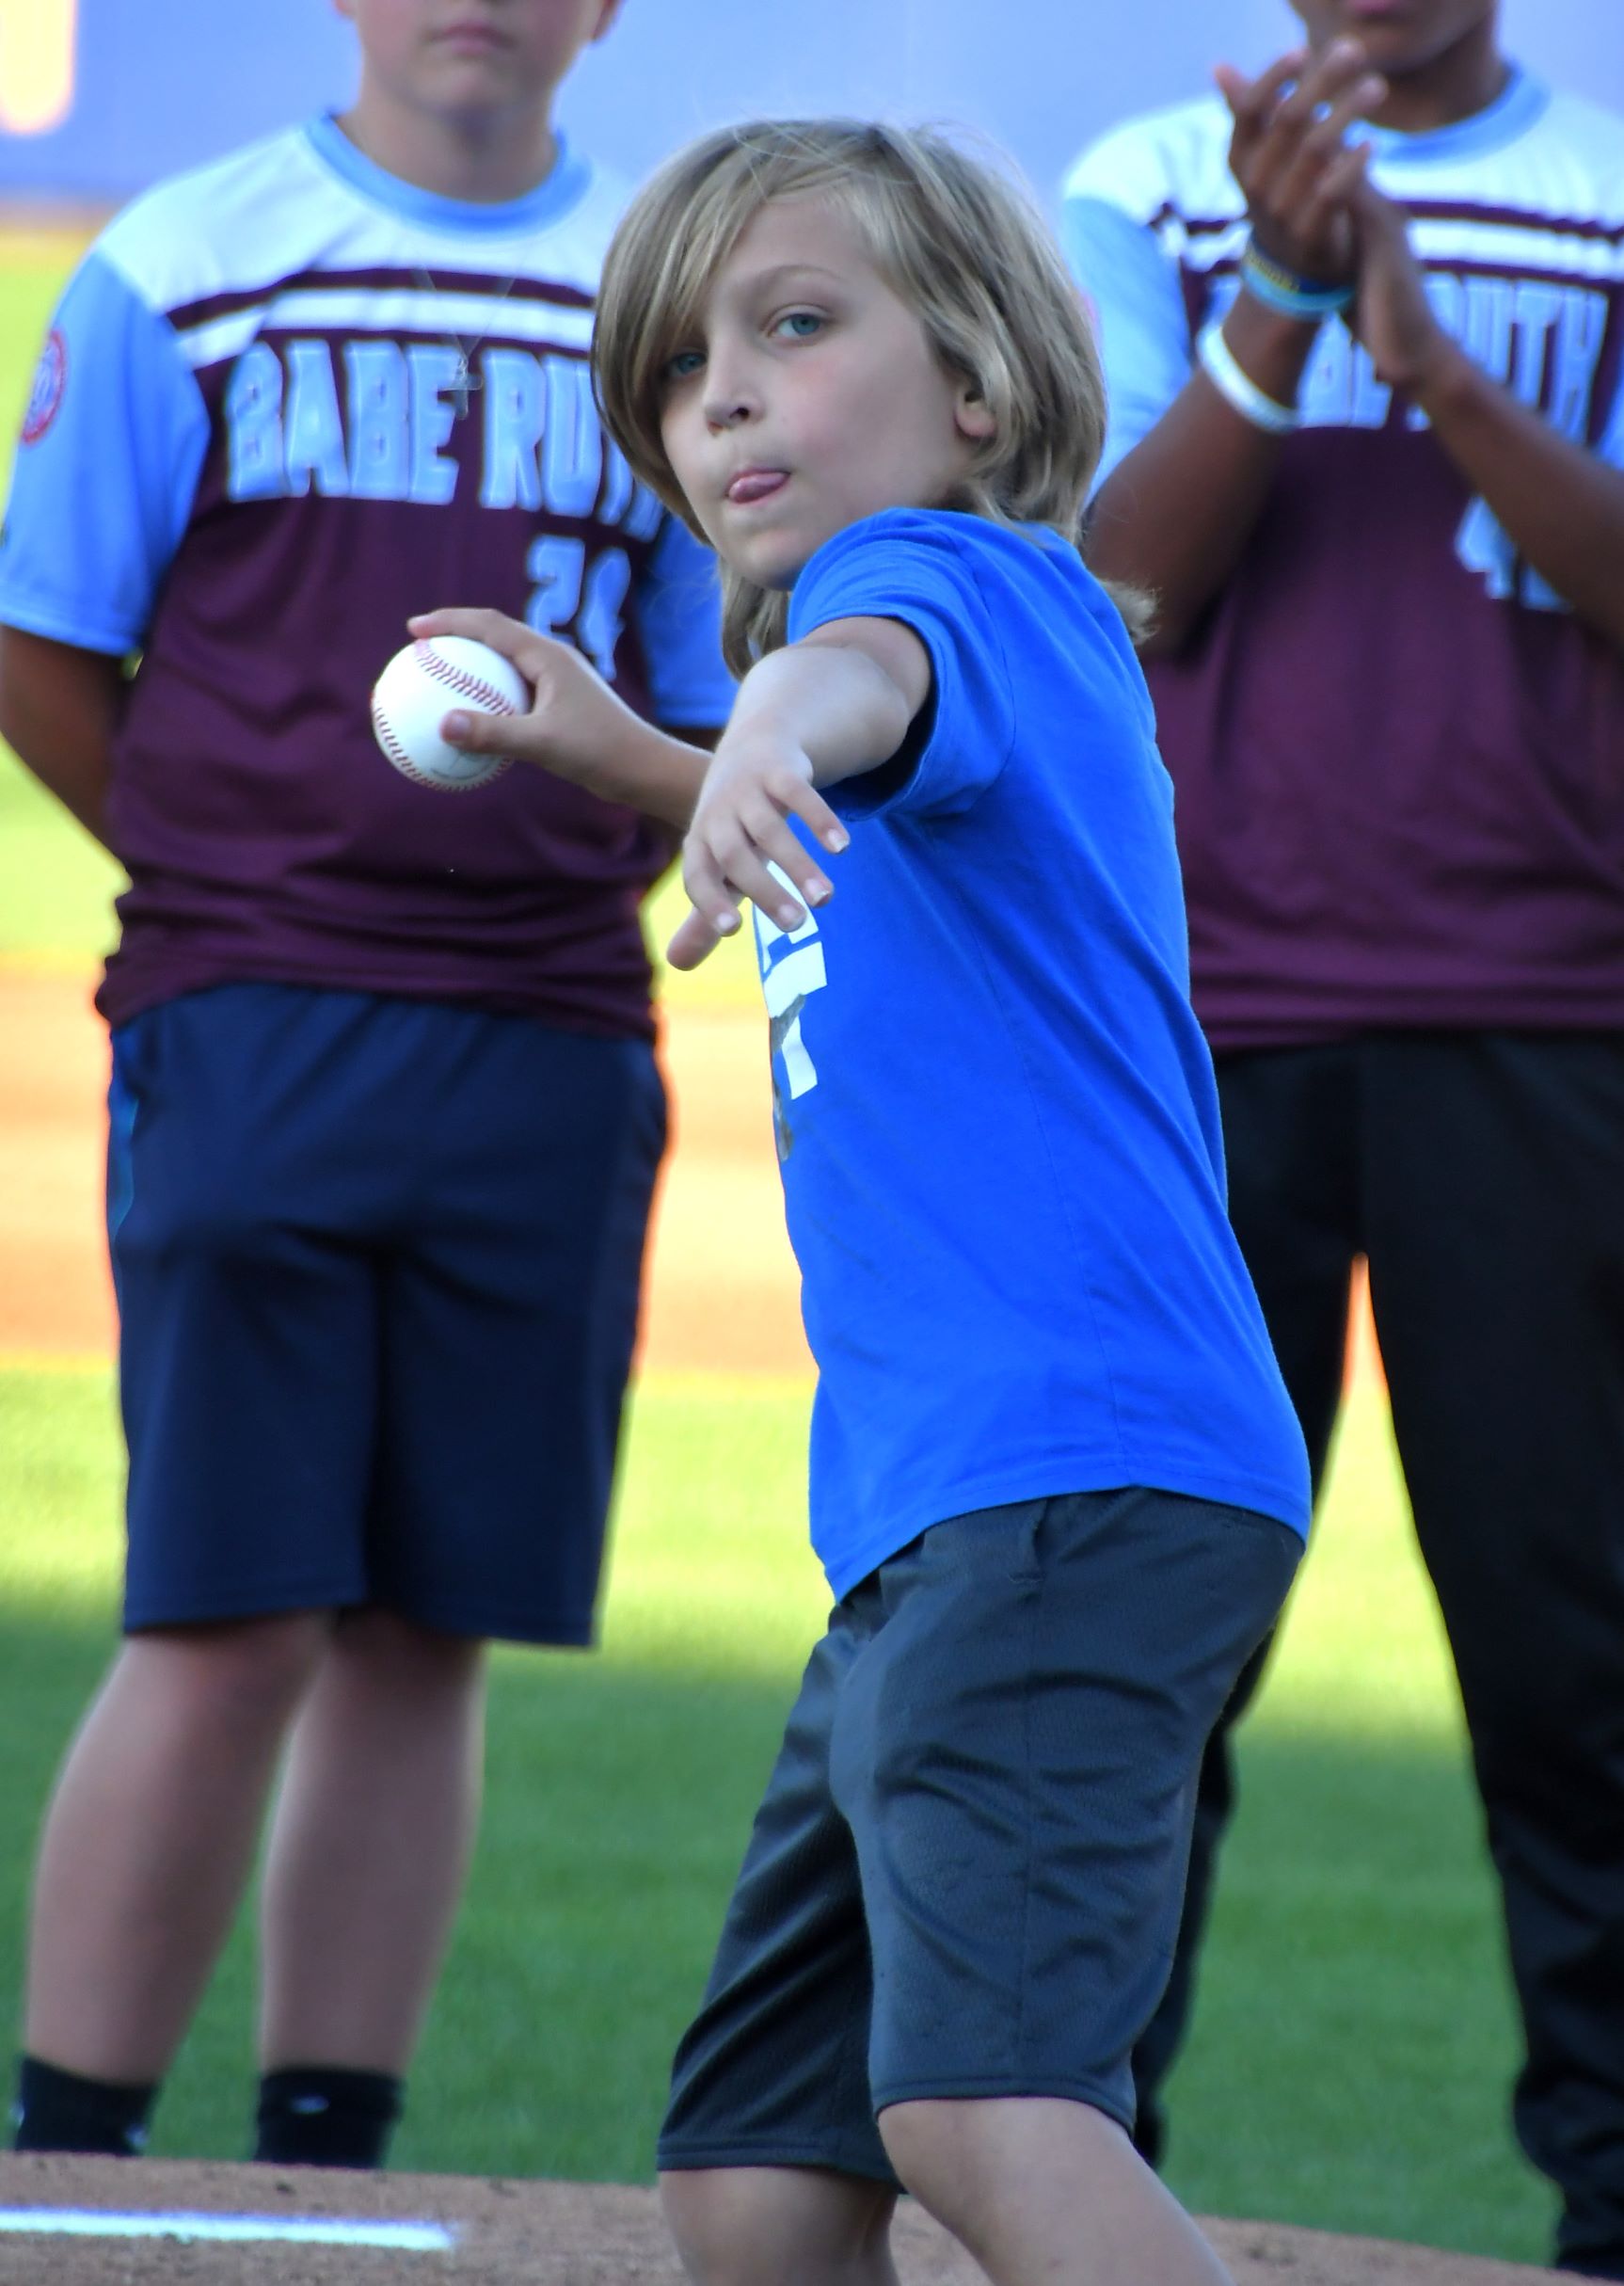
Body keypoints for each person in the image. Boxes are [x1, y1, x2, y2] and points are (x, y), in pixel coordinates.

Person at [415, 117, 1313, 2286]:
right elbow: (840, 756)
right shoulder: (914, 684)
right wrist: (651, 749)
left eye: (793, 327)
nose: (718, 392)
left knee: (985, 2107)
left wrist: (752, 729)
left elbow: (852, 691)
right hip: (935, 1514)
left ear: (977, 391)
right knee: (761, 2168)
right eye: (675, 368)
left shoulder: (950, 587)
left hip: (1061, 1475)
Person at [0, 0, 731, 2169]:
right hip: (255, 1024)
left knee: (431, 1624)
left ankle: (327, 2158)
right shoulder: (185, 261)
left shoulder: (663, 304)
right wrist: (233, 888)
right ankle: (68, 2157)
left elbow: (701, 709)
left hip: (550, 1028)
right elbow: (46, 635)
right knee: (226, 1607)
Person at [1059, 4, 1624, 2272]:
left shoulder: (1596, 194)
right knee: (1135, 1644)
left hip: (1547, 1017)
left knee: (1578, 1663)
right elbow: (1119, 573)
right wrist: (1284, 304)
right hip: (1198, 1025)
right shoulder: (1140, 190)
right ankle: (1063, 2169)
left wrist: (1443, 362)